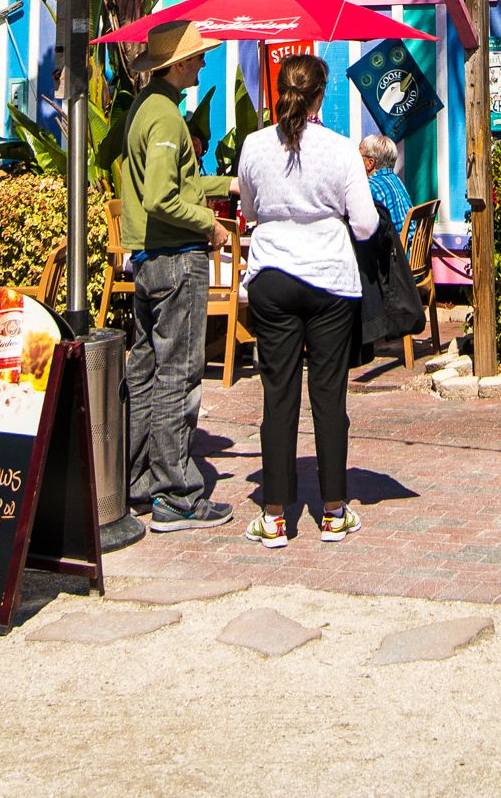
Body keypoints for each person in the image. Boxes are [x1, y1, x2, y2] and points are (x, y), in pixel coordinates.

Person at [233, 53, 379, 547]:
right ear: (321, 94)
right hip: (329, 278)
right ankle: (334, 511)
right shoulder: (340, 150)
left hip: (273, 274)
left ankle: (275, 515)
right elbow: (364, 224)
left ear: (279, 91)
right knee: (329, 395)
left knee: (278, 394)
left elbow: (250, 211)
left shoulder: (254, 145)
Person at [114, 45, 225, 532]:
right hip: (176, 258)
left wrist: (226, 185)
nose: (202, 65)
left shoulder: (148, 108)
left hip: (148, 259)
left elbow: (168, 185)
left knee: (147, 373)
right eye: (197, 58)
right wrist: (210, 225)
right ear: (176, 64)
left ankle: (137, 481)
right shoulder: (163, 117)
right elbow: (162, 199)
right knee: (178, 375)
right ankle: (176, 493)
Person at [354, 132, 419, 367]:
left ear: (370, 163)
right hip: (412, 258)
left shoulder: (371, 188)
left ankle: (360, 335)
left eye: (358, 155)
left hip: (397, 267)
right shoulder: (395, 180)